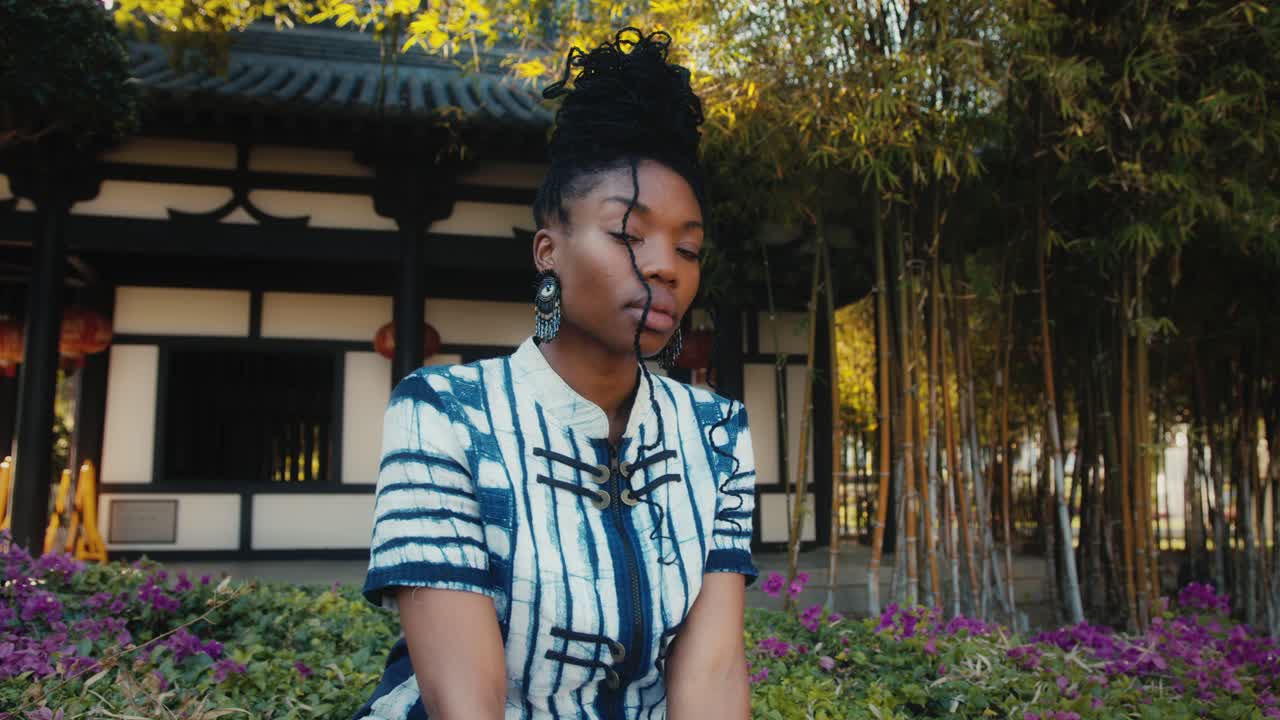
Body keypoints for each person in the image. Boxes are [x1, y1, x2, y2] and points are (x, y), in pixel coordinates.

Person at [354, 28, 758, 720]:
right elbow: (466, 702)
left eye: (687, 248)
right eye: (629, 235)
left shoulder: (717, 432)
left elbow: (713, 675)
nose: (665, 265)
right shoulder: (445, 415)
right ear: (549, 250)